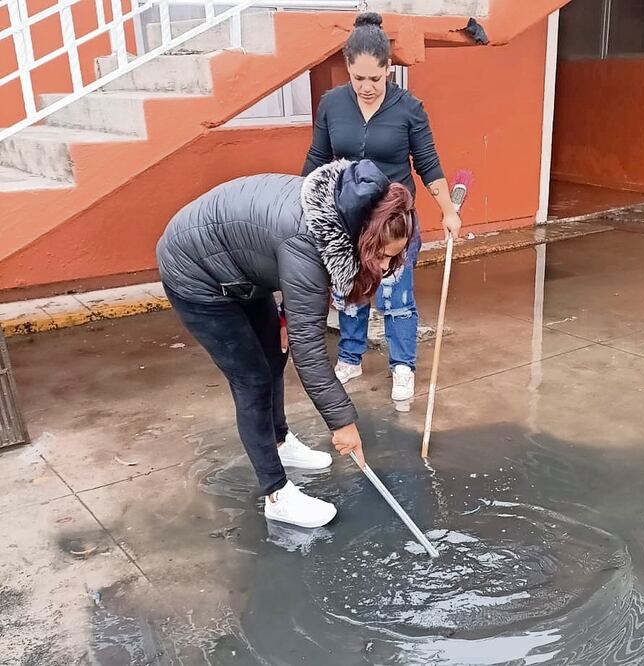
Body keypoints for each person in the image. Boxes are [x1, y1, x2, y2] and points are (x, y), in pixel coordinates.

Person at [156, 159, 415, 528]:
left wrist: (282, 316)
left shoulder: (337, 211)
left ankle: (280, 441)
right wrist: (342, 422)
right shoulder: (307, 240)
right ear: (363, 236)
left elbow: (272, 255)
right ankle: (277, 493)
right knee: (252, 380)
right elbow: (309, 348)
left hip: (239, 267)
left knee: (273, 356)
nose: (387, 267)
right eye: (383, 255)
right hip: (196, 273)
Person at [302, 11, 463, 403]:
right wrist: (300, 202)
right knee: (351, 291)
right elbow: (317, 159)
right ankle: (350, 357)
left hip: (394, 225)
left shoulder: (409, 108)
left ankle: (403, 365)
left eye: (375, 78)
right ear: (348, 70)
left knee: (396, 295)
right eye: (359, 79)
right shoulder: (332, 104)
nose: (367, 87)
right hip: (349, 218)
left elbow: (428, 163)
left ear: (389, 69)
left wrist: (448, 210)